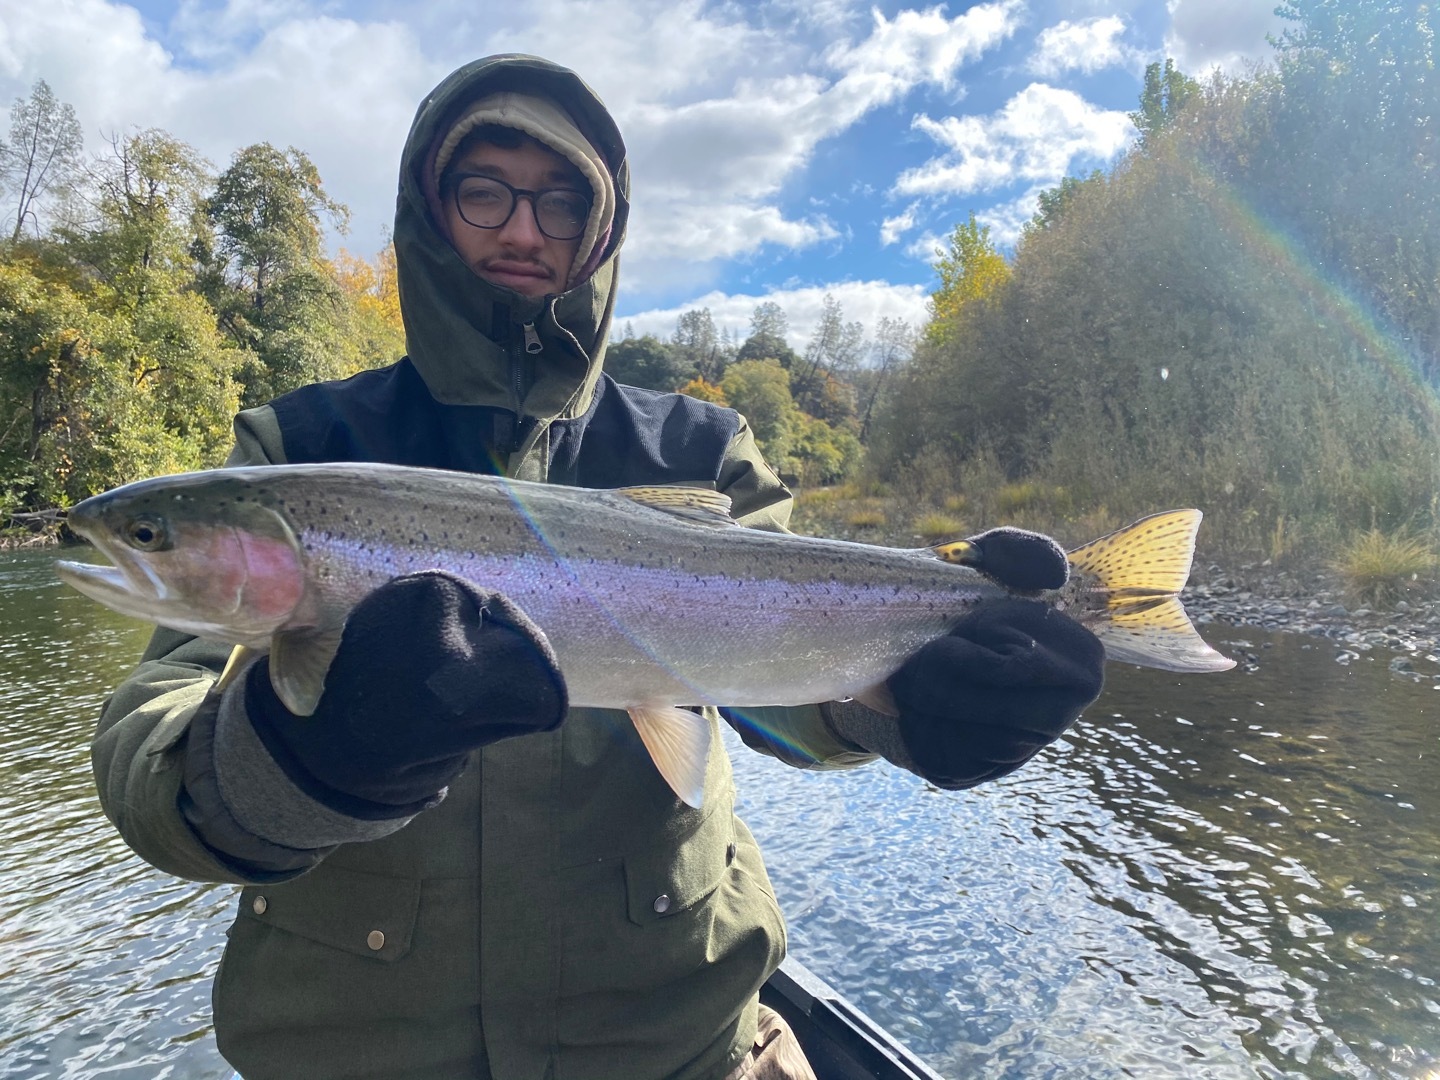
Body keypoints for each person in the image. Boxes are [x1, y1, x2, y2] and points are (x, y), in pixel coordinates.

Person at [90, 54, 1106, 1080]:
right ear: (428, 212)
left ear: (603, 230)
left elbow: (786, 705)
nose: (524, 228)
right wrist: (297, 760)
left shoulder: (704, 452)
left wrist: (911, 705)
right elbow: (147, 754)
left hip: (682, 1044)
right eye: (484, 189)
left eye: (563, 200)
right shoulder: (295, 446)